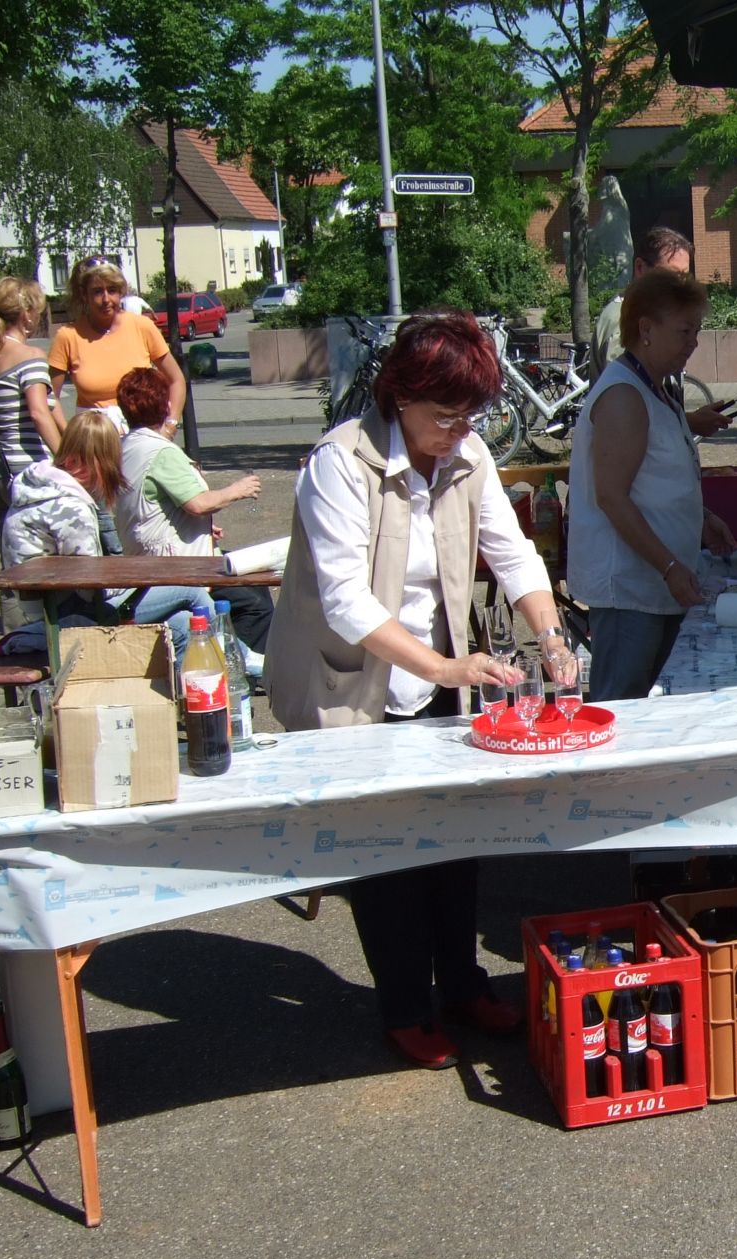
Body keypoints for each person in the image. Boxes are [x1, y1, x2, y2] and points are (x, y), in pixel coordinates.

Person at [265, 310, 569, 1070]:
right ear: (401, 396)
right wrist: (442, 670)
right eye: (446, 416)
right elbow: (345, 599)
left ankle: (462, 982)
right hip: (350, 685)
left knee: (456, 841)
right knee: (386, 853)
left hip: (439, 676)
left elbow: (513, 553)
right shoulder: (340, 462)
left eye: (472, 416)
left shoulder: (467, 458)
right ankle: (404, 1004)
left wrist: (553, 635)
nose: (460, 431)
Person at [568, 269, 737, 700]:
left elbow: (659, 479)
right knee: (622, 708)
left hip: (655, 583)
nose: (693, 343)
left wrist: (701, 519)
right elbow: (612, 496)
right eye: (684, 331)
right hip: (630, 588)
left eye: (696, 330)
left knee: (642, 704)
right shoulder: (624, 395)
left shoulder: (656, 388)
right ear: (646, 329)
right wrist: (668, 566)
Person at [0, 413, 212, 660]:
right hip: (69, 616)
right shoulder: (70, 507)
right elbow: (92, 589)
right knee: (192, 592)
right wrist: (138, 576)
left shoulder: (38, 486)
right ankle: (236, 661)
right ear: (103, 460)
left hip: (43, 608)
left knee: (183, 622)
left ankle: (191, 691)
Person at [111, 366, 274, 665]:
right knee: (253, 601)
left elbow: (150, 507)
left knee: (254, 585)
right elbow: (197, 503)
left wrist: (200, 527)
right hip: (177, 567)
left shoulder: (126, 447)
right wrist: (237, 490)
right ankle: (249, 666)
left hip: (149, 559)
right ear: (165, 405)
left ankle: (249, 660)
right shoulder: (161, 453)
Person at [590, 226, 731, 438]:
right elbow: (629, 413)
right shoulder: (622, 319)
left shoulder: (652, 312)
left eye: (685, 276)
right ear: (640, 268)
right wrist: (689, 422)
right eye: (672, 275)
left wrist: (687, 421)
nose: (680, 286)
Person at [0, 277, 67, 554]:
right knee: (48, 559)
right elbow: (39, 413)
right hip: (27, 471)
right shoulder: (30, 356)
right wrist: (66, 460)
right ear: (27, 314)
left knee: (11, 565)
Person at [49, 255, 186, 441]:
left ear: (121, 291)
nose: (106, 299)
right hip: (95, 442)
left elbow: (176, 379)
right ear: (84, 294)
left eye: (112, 290)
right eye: (97, 292)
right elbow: (50, 398)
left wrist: (170, 426)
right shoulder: (68, 336)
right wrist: (69, 437)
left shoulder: (142, 326)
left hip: (143, 438)